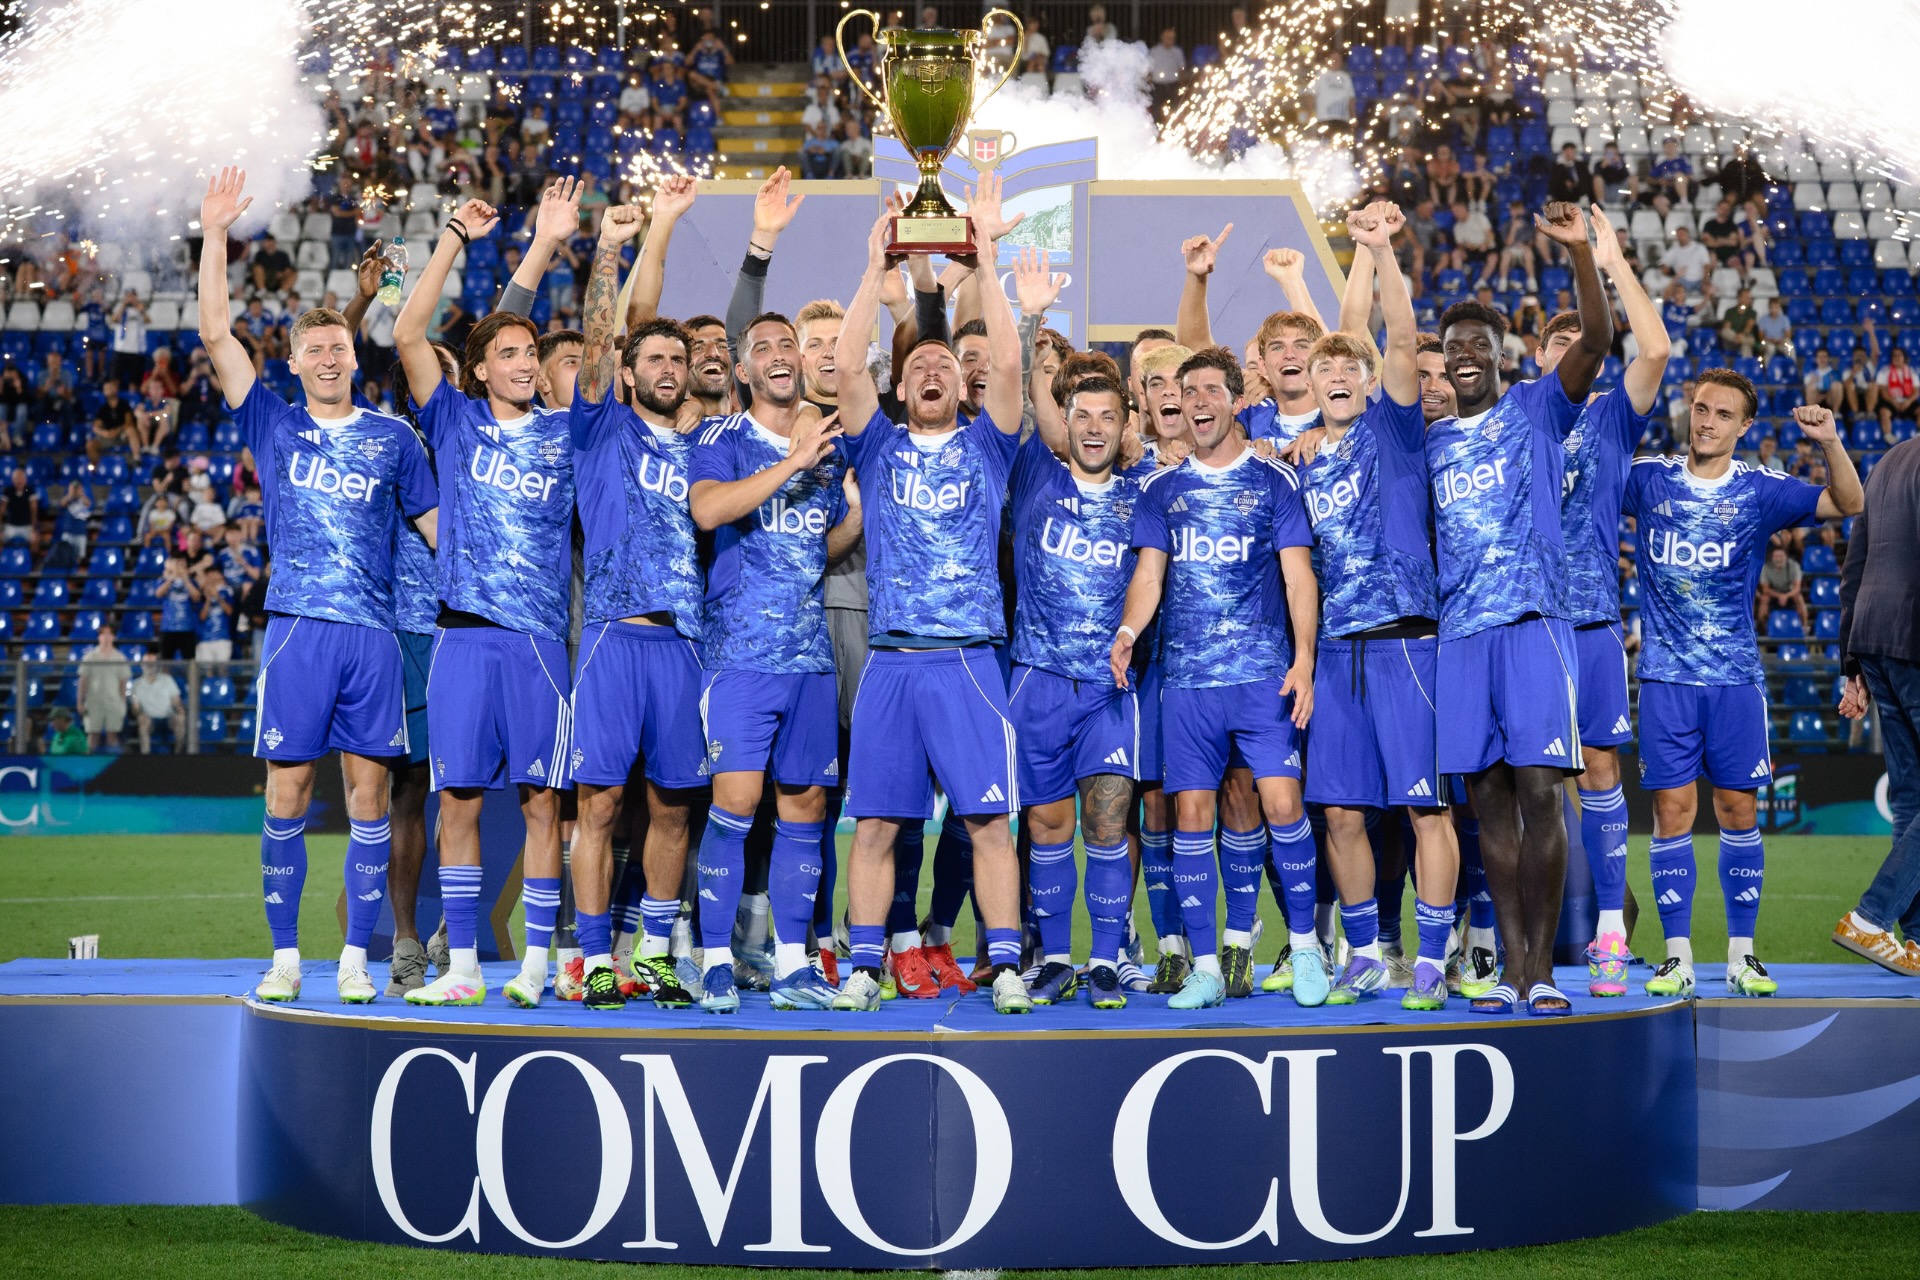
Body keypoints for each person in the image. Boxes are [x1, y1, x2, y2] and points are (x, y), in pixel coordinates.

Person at [196, 167, 440, 1007]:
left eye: (339, 345)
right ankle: (287, 956)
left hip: (373, 637)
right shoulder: (271, 420)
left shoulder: (394, 439)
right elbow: (217, 330)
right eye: (315, 348)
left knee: (371, 798)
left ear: (350, 355)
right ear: (294, 363)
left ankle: (352, 958)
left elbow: (441, 535)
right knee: (288, 792)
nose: (329, 355)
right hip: (299, 628)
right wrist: (218, 233)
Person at [829, 178, 1032, 1015]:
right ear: (901, 388)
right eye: (917, 367)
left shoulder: (990, 447)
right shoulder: (874, 447)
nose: (933, 372)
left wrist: (987, 261)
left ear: (962, 386)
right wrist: (872, 266)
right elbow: (844, 363)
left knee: (988, 824)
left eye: (946, 365)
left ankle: (1008, 963)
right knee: (876, 826)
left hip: (968, 661)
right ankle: (866, 967)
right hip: (891, 661)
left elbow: (1013, 361)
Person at [1424, 201, 1612, 1018]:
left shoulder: (1536, 408)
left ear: (1502, 358)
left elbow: (1600, 344)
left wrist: (1579, 256)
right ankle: (1508, 964)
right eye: (1453, 348)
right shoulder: (1427, 442)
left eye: (1478, 347)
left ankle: (1544, 968)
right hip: (1461, 639)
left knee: (1543, 793)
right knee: (1489, 805)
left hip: (1536, 627)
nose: (1465, 357)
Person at [394, 194, 577, 1012]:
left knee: (544, 804)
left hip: (539, 643)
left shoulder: (567, 432)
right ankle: (462, 963)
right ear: (480, 369)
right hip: (461, 640)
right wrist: (457, 239)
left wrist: (552, 246)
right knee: (457, 804)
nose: (525, 363)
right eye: (509, 353)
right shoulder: (457, 422)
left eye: (530, 353)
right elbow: (406, 332)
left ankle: (537, 963)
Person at [1627, 394, 1862, 997]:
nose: (1707, 421)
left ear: (1745, 426)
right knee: (1671, 814)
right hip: (1664, 680)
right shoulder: (1649, 479)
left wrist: (1830, 442)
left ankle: (1742, 956)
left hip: (1734, 682)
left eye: (1723, 414)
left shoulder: (1761, 490)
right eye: (1701, 408)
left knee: (1738, 813)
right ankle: (1676, 957)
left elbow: (1849, 503)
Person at [1110, 341, 1319, 1012]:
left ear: (1236, 401)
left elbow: (1298, 576)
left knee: (1283, 806)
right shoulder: (1161, 488)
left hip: (1262, 678)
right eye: (1187, 391)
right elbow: (1149, 574)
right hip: (1188, 684)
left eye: (1209, 391)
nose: (1197, 402)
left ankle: (1308, 946)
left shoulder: (1274, 481)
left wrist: (1305, 658)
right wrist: (1127, 631)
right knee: (1190, 817)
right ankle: (1204, 965)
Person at [1294, 203, 1459, 1012]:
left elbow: (1393, 334)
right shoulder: (1300, 459)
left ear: (1366, 380)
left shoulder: (1395, 430)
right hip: (1338, 653)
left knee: (1426, 809)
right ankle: (1363, 952)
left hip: (1406, 646)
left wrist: (1382, 247)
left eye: (1348, 369)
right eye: (1324, 370)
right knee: (1343, 816)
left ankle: (1429, 958)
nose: (1336, 377)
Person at [686, 311, 856, 1012]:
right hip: (740, 658)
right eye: (766, 348)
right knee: (735, 805)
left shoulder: (831, 448)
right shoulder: (719, 437)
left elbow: (813, 544)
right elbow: (708, 511)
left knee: (806, 808)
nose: (782, 355)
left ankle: (792, 965)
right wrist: (791, 461)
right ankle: (717, 959)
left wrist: (860, 515)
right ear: (746, 370)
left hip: (809, 658)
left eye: (790, 344)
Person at [566, 200, 710, 1013]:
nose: (663, 366)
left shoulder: (701, 444)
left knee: (671, 808)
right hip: (615, 640)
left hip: (683, 645)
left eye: (674, 359)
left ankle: (653, 957)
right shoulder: (599, 429)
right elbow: (596, 342)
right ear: (626, 371)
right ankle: (593, 959)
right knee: (600, 804)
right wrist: (608, 253)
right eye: (650, 355)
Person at [1533, 205, 1672, 997]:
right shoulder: (1516, 415)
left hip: (1587, 619)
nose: (1567, 356)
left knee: (1600, 771)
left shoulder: (1614, 419)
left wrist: (1609, 256)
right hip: (1517, 625)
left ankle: (1612, 938)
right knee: (1513, 784)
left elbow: (1650, 346)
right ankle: (1494, 941)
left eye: (1576, 345)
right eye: (1552, 348)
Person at [1005, 370, 1144, 1009]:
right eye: (1081, 416)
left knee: (1109, 824)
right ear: (1065, 423)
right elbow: (1019, 385)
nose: (1093, 428)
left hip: (1110, 687)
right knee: (1048, 824)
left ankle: (1108, 958)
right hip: (1037, 678)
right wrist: (1031, 321)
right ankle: (1057, 958)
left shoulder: (1147, 495)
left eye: (1106, 416)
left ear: (1125, 424)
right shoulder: (1040, 474)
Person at [1835, 430, 1920, 972]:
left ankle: (1917, 939)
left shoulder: (1889, 460)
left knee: (1911, 798)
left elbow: (1854, 564)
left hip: (1875, 636)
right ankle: (1870, 917)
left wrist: (1851, 664)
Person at [77, 624, 132, 752]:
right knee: (92, 735)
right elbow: (83, 681)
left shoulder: (120, 658)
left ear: (113, 637)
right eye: (103, 634)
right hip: (93, 702)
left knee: (112, 735)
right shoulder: (89, 657)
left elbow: (122, 683)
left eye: (109, 634)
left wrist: (122, 704)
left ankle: (113, 766)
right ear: (99, 637)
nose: (106, 637)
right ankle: (89, 767)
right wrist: (80, 702)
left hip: (113, 702)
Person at [129, 661, 186, 755]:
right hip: (150, 719)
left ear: (156, 667)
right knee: (143, 723)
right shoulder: (135, 685)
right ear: (142, 667)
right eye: (147, 665)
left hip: (168, 717)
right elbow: (135, 706)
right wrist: (140, 715)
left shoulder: (167, 679)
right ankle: (146, 756)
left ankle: (178, 753)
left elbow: (175, 699)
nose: (149, 668)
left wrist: (179, 709)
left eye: (152, 665)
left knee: (180, 719)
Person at [1756, 544, 1810, 633]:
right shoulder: (1765, 567)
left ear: (1786, 557)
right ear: (1772, 558)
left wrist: (1785, 596)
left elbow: (1797, 588)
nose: (1778, 559)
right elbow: (1765, 589)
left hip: (1789, 592)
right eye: (1776, 556)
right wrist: (1779, 596)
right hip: (1773, 592)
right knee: (1764, 598)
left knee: (1798, 597)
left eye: (1781, 556)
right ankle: (1764, 628)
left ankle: (1804, 626)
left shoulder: (1794, 566)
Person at [195, 565, 234, 666]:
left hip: (223, 638)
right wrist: (208, 599)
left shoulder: (227, 591)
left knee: (222, 669)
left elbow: (229, 611)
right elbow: (202, 617)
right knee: (208, 671)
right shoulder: (201, 595)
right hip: (205, 638)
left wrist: (217, 597)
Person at [109, 290, 148, 387]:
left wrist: (139, 309)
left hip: (135, 350)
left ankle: (133, 400)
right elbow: (114, 319)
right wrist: (123, 305)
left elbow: (148, 320)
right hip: (120, 349)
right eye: (128, 296)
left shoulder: (140, 309)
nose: (130, 299)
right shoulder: (119, 308)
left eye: (132, 296)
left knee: (134, 382)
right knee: (114, 380)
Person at [2, 467, 37, 550]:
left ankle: (32, 560)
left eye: (21, 478)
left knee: (35, 540)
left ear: (25, 479)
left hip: (26, 526)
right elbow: (1, 510)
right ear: (13, 480)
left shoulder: (30, 490)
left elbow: (34, 510)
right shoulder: (8, 490)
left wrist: (33, 528)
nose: (19, 480)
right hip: (10, 526)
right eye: (17, 478)